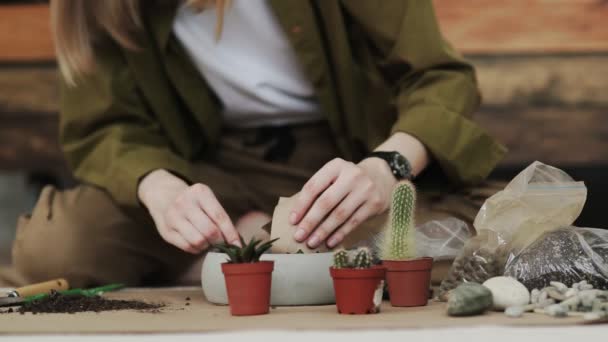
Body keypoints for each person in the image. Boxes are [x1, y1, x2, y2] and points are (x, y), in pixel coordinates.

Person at [1, 0, 506, 288]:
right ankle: (269, 252)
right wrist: (159, 189)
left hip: (349, 161)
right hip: (204, 171)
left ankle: (240, 260)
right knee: (59, 252)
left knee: (492, 246)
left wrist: (386, 166)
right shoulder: (97, 7)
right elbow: (106, 127)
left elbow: (441, 78)